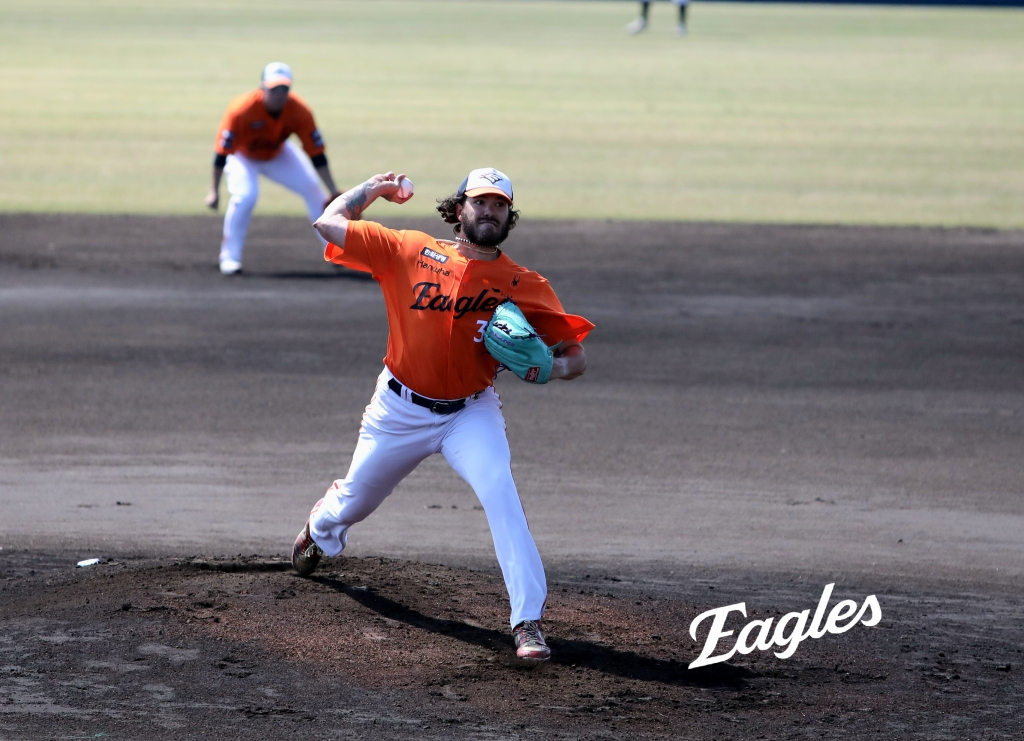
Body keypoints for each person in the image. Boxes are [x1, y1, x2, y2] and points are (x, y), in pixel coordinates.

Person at [291, 168, 594, 661]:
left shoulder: (523, 283)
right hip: (398, 408)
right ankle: (319, 531)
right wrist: (374, 189)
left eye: (499, 205)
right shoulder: (408, 249)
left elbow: (576, 358)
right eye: (480, 202)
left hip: (470, 413)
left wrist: (551, 369)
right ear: (459, 210)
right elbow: (328, 223)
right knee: (355, 500)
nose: (490, 211)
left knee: (500, 493)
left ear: (509, 217)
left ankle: (527, 622)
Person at [205, 62, 342, 275]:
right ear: (262, 87)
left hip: (278, 154)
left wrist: (333, 191)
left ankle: (336, 251)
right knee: (245, 196)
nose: (279, 94)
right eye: (274, 88)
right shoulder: (241, 109)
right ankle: (230, 258)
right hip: (243, 157)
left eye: (283, 88)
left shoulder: (299, 110)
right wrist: (214, 190)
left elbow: (316, 153)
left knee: (313, 189)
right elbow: (221, 153)